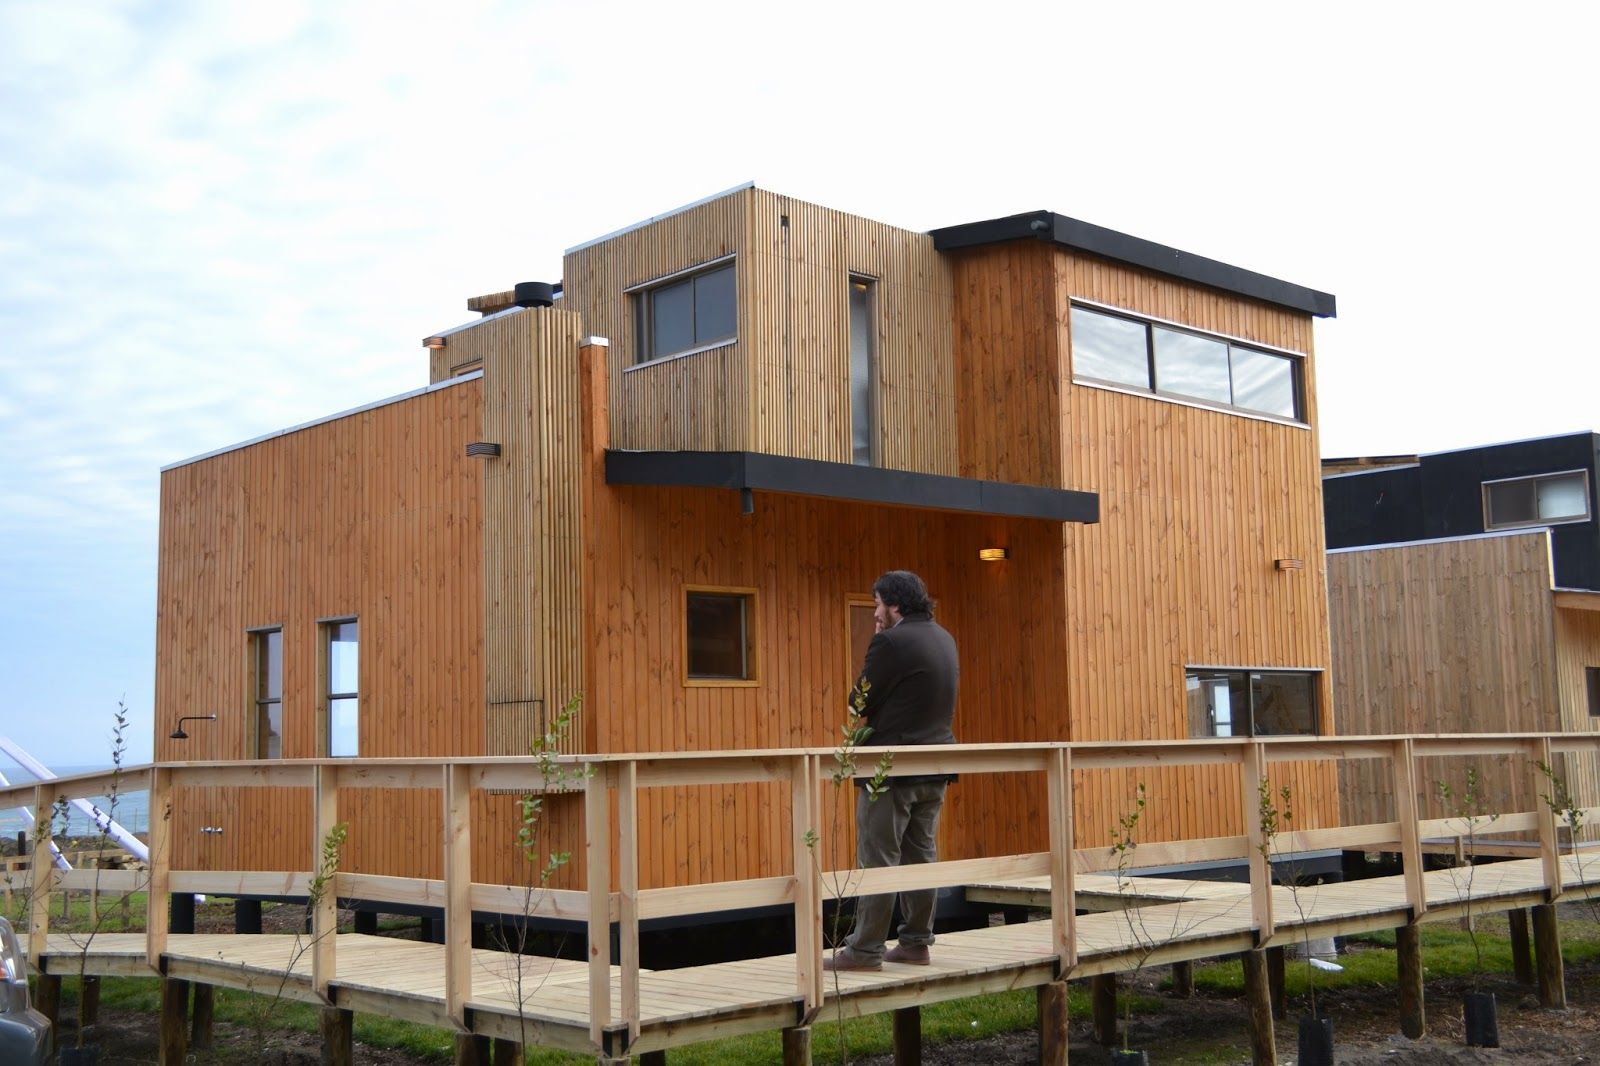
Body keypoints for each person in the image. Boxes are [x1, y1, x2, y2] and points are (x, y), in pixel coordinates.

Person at [823, 570, 959, 971]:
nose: (875, 614)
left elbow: (858, 701)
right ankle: (916, 943)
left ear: (895, 604)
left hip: (891, 769)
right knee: (921, 853)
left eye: (878, 604)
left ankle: (864, 950)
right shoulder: (944, 638)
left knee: (877, 857)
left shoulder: (890, 642)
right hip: (936, 766)